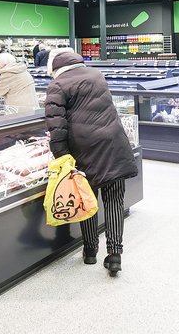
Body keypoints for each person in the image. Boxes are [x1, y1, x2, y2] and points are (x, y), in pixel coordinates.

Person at [44, 48, 137, 276]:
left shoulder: (57, 85)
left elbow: (56, 126)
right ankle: (114, 254)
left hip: (84, 149)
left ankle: (90, 250)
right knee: (114, 199)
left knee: (86, 198)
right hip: (113, 141)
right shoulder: (96, 74)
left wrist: (62, 157)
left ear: (54, 68)